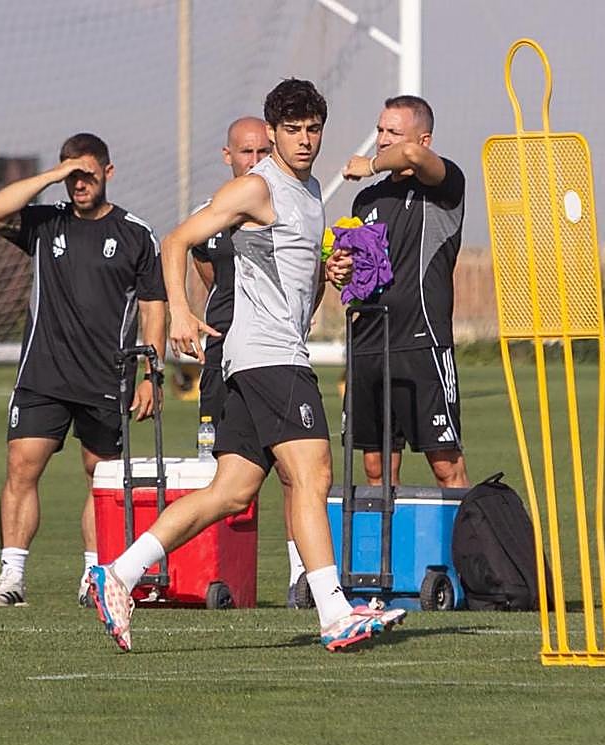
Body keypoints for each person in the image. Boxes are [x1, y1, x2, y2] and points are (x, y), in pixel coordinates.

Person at [86, 78, 406, 652]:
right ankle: (334, 613)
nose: (305, 140)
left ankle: (120, 574)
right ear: (274, 132)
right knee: (313, 475)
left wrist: (325, 277)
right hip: (267, 359)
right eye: (293, 130)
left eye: (313, 130)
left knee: (230, 493)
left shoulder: (309, 194)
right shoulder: (258, 189)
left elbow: (294, 284)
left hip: (264, 355)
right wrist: (181, 312)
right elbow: (177, 241)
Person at [0, 132, 167, 607]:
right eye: (72, 175)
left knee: (100, 478)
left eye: (87, 173)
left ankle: (93, 577)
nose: (79, 183)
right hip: (44, 373)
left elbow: (153, 308)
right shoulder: (43, 222)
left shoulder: (135, 234)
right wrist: (55, 174)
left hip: (107, 376)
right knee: (22, 467)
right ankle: (12, 578)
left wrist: (151, 373)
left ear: (108, 173)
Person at [189, 116, 307, 607]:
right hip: (223, 356)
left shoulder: (284, 202)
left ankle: (302, 575)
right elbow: (203, 269)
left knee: (294, 468)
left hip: (273, 356)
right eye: (245, 152)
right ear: (227, 155)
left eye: (262, 151)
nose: (254, 160)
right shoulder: (209, 215)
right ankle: (211, 572)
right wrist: (191, 319)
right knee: (218, 469)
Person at [339, 95, 469, 489]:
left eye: (392, 132)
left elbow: (410, 157)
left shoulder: (444, 185)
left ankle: (464, 550)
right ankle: (383, 552)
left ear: (424, 140)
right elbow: (361, 272)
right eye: (379, 130)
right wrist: (339, 270)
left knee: (447, 467)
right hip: (368, 346)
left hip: (421, 344)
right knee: (376, 469)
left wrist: (372, 165)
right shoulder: (368, 199)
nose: (381, 140)